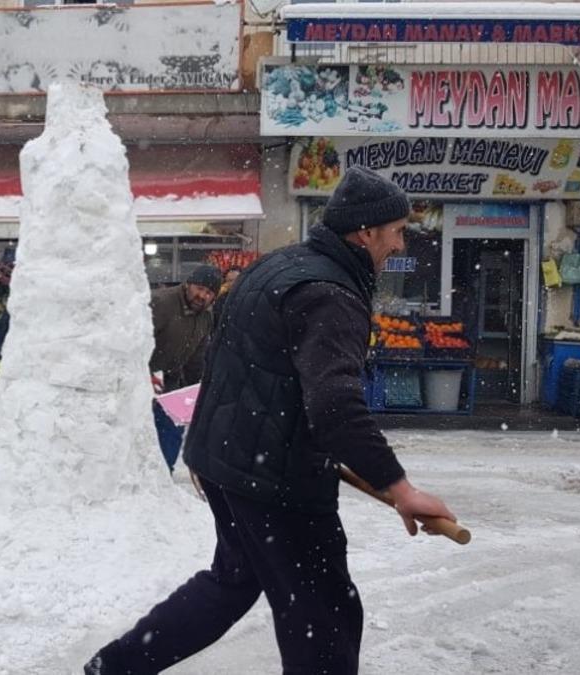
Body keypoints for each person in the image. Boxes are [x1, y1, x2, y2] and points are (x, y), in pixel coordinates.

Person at [87, 166, 457, 675]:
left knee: (232, 581)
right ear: (366, 232)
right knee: (323, 611)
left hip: (231, 464)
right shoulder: (332, 294)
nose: (400, 244)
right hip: (277, 479)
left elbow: (221, 359)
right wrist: (398, 485)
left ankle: (117, 666)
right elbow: (335, 407)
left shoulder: (275, 268)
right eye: (396, 231)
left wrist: (205, 445)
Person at [148, 264, 221, 471]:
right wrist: (146, 374)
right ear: (188, 284)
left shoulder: (206, 317)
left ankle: (163, 474)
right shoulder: (161, 303)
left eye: (208, 293)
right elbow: (137, 340)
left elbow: (196, 357)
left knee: (171, 428)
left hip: (172, 381)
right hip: (145, 378)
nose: (202, 295)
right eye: (199, 288)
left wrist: (191, 391)